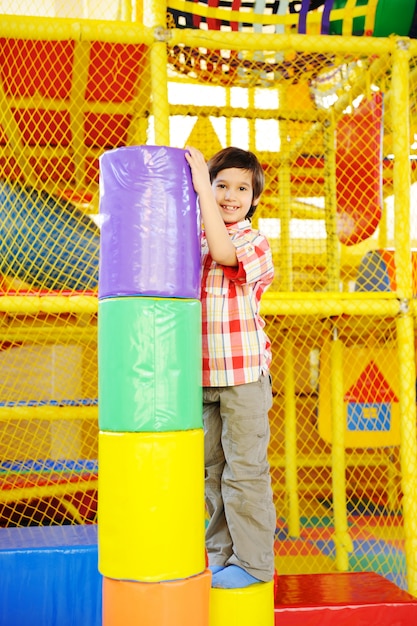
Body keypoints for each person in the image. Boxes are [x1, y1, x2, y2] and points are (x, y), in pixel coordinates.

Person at [184, 145, 276, 589]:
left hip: (243, 378)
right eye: (221, 185)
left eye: (242, 188)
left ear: (254, 198)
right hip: (202, 379)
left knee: (245, 471)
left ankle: (255, 564)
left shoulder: (250, 240)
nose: (229, 195)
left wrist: (202, 189)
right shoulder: (193, 239)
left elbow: (223, 253)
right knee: (214, 474)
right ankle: (223, 556)